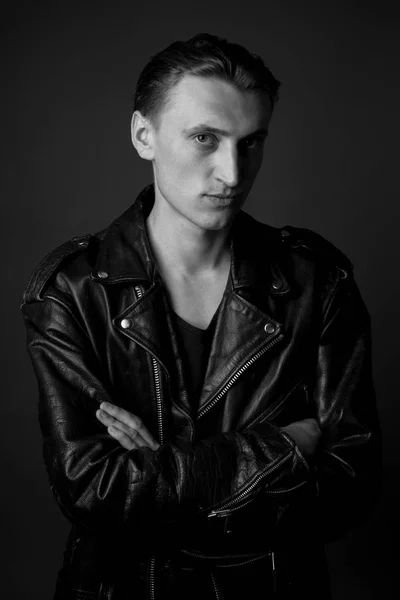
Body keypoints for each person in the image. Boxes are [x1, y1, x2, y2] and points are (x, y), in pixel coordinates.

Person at [21, 33, 382, 600]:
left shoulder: (318, 282)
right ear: (145, 135)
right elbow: (92, 492)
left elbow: (349, 489)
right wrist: (279, 448)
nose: (233, 173)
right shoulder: (73, 291)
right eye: (205, 139)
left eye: (252, 142)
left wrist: (160, 474)